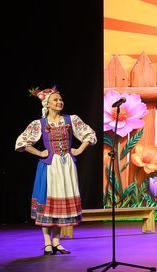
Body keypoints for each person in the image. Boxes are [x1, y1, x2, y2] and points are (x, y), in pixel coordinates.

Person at [14, 87, 96, 255]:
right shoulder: (39, 124)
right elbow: (21, 142)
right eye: (56, 100)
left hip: (67, 167)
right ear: (47, 104)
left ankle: (57, 242)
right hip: (50, 166)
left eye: (61, 99)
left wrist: (79, 149)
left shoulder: (71, 119)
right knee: (47, 204)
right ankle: (47, 242)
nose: (60, 102)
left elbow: (89, 134)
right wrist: (39, 153)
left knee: (62, 205)